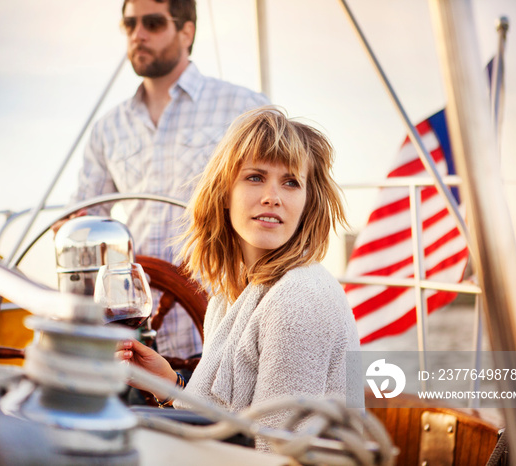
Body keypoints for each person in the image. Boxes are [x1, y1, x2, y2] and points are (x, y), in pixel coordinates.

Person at [117, 106, 362, 452]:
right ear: (224, 195)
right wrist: (169, 385)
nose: (272, 197)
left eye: (291, 182)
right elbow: (230, 420)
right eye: (255, 177)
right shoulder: (231, 294)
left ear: (308, 202)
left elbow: (278, 454)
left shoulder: (298, 299)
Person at [66, 0, 270, 361]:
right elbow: (84, 221)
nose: (138, 35)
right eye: (130, 25)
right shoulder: (108, 128)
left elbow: (275, 202)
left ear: (186, 31)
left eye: (154, 24)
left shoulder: (245, 108)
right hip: (137, 333)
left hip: (223, 324)